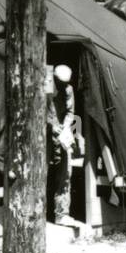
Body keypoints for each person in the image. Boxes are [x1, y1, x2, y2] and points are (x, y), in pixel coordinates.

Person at [46, 64, 77, 224]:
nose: (63, 86)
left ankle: (61, 213)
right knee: (42, 174)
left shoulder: (68, 89)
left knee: (64, 174)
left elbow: (70, 112)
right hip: (45, 136)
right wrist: (53, 126)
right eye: (60, 82)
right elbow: (41, 111)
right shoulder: (45, 87)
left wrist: (65, 127)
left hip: (61, 136)